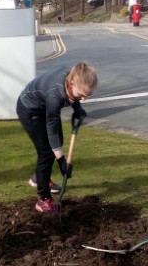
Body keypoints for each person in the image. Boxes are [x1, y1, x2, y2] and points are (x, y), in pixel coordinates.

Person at [16, 62, 97, 213]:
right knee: (46, 152)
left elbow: (74, 98)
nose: (84, 98)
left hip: (43, 106)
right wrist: (61, 161)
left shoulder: (73, 76)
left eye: (88, 95)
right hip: (29, 110)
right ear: (72, 82)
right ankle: (43, 199)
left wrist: (78, 108)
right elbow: (51, 129)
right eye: (81, 95)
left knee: (57, 142)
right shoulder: (55, 94)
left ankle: (39, 178)